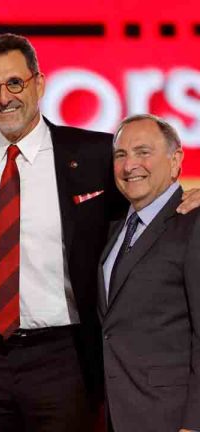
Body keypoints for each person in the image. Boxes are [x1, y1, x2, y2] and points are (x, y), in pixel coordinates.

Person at [0, 33, 130, 431]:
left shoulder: (93, 156)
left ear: (39, 83)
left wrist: (185, 198)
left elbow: (147, 190)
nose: (4, 98)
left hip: (61, 359)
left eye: (15, 82)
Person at [100, 114, 199, 432]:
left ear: (175, 161)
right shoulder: (116, 226)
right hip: (119, 413)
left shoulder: (193, 223)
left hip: (171, 418)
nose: (130, 166)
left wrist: (194, 422)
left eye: (144, 152)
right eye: (121, 155)